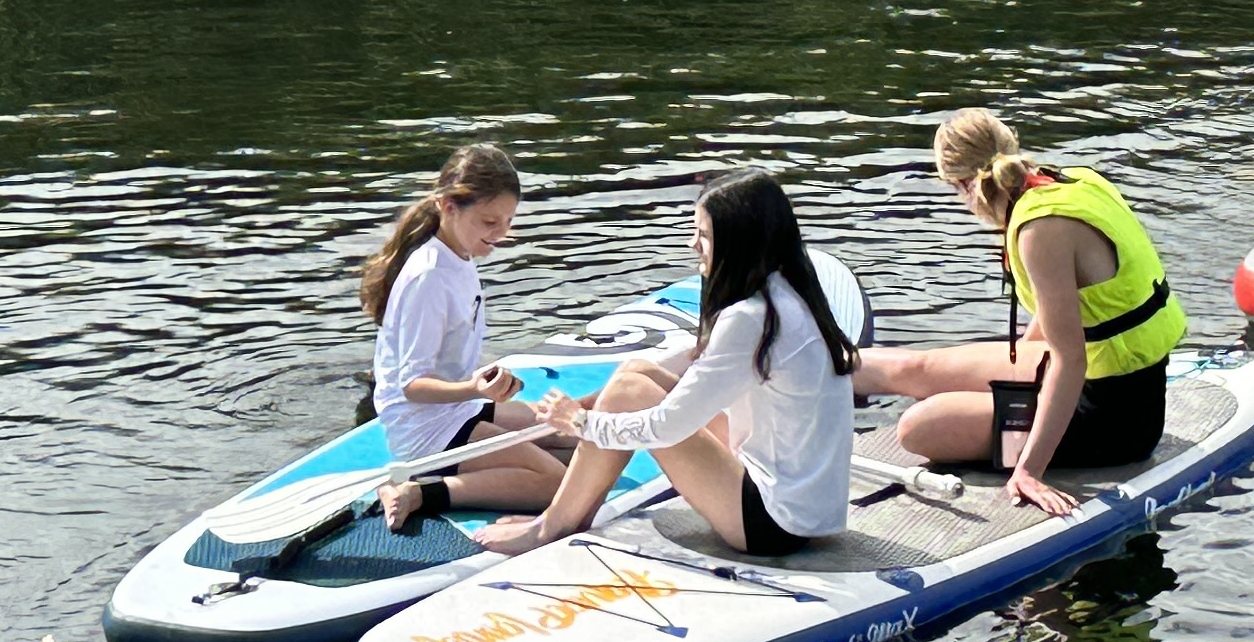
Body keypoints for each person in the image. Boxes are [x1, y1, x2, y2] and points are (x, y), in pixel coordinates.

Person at [474, 169, 860, 557]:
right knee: (634, 375)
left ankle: (553, 525)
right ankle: (569, 515)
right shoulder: (791, 292)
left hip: (772, 525)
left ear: (739, 242)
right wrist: (602, 403)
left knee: (629, 392)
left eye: (704, 236)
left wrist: (581, 423)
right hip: (805, 510)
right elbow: (699, 360)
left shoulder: (751, 317)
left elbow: (668, 426)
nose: (694, 245)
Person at [851, 109, 1187, 516]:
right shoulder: (1076, 180)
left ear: (961, 184)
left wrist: (1028, 470)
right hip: (1091, 375)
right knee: (915, 368)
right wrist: (1015, 378)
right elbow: (1072, 307)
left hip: (1115, 416)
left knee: (918, 426)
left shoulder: (1039, 231)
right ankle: (782, 369)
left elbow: (1072, 359)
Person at [362, 143, 566, 530]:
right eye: (490, 222)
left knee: (567, 436)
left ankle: (466, 469)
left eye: (508, 221)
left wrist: (482, 383)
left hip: (455, 409)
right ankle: (416, 491)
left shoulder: (458, 253)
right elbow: (412, 386)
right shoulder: (430, 276)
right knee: (558, 483)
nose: (501, 234)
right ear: (449, 207)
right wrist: (474, 388)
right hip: (424, 427)